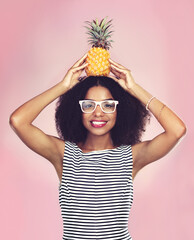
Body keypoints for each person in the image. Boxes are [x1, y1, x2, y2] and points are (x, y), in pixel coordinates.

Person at [9, 53, 186, 240]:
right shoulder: (64, 154)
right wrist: (64, 86)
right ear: (78, 110)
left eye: (108, 105)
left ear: (120, 111)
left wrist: (134, 88)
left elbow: (177, 130)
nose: (98, 113)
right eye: (89, 105)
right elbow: (18, 121)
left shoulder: (130, 157)